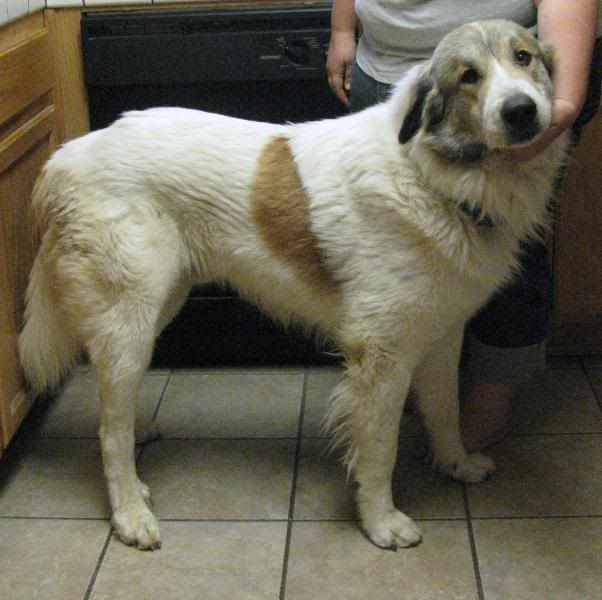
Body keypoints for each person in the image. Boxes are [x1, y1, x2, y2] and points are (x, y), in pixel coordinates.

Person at [327, 0, 601, 452]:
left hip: (520, 87)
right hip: (388, 72)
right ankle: (413, 388)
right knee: (399, 270)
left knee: (511, 253)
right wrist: (343, 28)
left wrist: (562, 104)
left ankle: (488, 402)